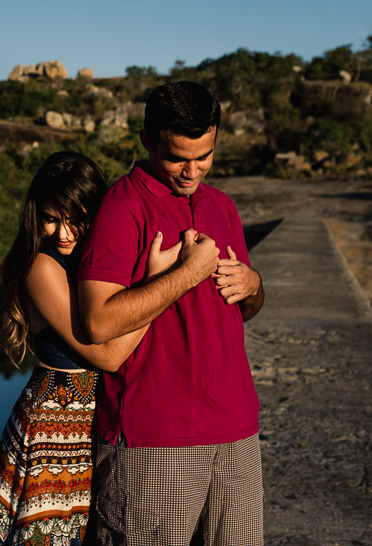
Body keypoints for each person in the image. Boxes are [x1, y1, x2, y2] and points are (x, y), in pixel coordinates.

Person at [0, 151, 187, 546]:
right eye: (52, 218)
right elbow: (108, 354)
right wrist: (162, 284)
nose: (63, 233)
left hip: (96, 420)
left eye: (76, 219)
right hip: (55, 423)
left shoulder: (97, 261)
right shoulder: (41, 267)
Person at [78, 81, 264, 546]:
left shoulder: (222, 205)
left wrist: (255, 284)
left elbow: (244, 310)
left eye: (204, 155)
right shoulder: (122, 208)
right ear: (146, 141)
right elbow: (96, 322)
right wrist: (187, 272)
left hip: (236, 427)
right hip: (154, 439)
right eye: (178, 157)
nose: (191, 170)